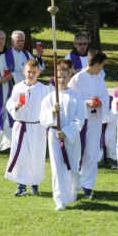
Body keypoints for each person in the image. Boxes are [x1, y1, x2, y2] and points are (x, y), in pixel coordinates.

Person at [40, 63, 86, 211]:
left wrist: (66, 131)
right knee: (58, 168)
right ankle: (60, 199)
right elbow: (42, 118)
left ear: (69, 77)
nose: (61, 80)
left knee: (72, 166)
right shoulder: (49, 98)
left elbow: (80, 119)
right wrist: (53, 112)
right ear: (55, 78)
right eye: (58, 77)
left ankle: (73, 189)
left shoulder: (76, 98)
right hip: (55, 137)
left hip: (71, 137)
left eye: (64, 77)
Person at [68, 49, 109, 199]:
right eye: (102, 65)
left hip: (95, 120)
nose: (102, 69)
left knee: (92, 152)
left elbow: (105, 98)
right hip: (80, 120)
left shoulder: (100, 80)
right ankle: (74, 184)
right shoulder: (77, 78)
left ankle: (87, 186)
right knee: (78, 152)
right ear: (97, 64)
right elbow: (71, 98)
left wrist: (100, 104)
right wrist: (86, 103)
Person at [5, 59, 49, 196]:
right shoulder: (18, 87)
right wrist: (16, 106)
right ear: (24, 72)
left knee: (36, 155)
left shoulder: (43, 89)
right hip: (21, 126)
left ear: (39, 73)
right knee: (21, 155)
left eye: (34, 72)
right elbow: (9, 103)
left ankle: (35, 184)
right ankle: (21, 185)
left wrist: (47, 127)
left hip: (37, 127)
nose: (31, 75)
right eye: (29, 72)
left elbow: (47, 109)